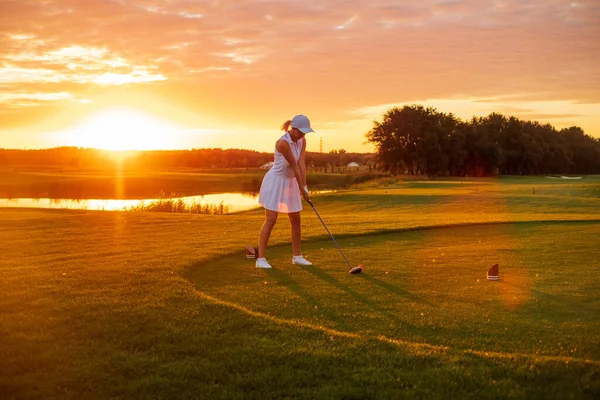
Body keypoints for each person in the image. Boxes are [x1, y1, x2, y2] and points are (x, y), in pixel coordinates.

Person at [255, 115, 314, 269]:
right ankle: (260, 259)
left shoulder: (302, 140)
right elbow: (294, 166)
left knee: (296, 220)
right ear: (293, 129)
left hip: (290, 183)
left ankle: (297, 256)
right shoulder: (283, 143)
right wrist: (302, 191)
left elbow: (301, 164)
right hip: (276, 181)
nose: (303, 135)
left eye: (304, 132)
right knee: (271, 219)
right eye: (301, 131)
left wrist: (305, 186)